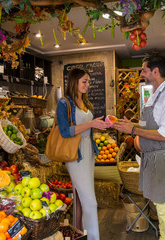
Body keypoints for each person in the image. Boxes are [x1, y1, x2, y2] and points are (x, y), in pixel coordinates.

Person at [113, 54, 165, 240]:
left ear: (155, 71)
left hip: (162, 156)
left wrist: (134, 129)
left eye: (144, 70)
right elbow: (150, 127)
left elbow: (163, 135)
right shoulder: (155, 95)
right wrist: (132, 125)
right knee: (159, 205)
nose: (141, 73)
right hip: (152, 157)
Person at [56, 67, 109, 240]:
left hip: (88, 152)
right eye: (84, 81)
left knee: (82, 197)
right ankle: (93, 237)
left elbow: (90, 127)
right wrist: (91, 124)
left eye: (88, 81)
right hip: (75, 155)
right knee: (90, 202)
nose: (88, 85)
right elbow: (65, 131)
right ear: (74, 82)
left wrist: (103, 124)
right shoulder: (64, 103)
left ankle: (81, 234)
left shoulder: (87, 103)